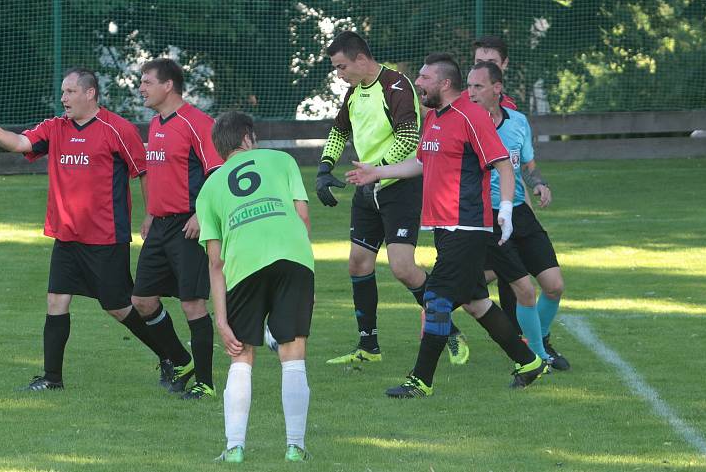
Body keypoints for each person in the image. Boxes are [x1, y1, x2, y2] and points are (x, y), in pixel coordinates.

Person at [347, 53, 548, 398]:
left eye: (424, 79)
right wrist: (377, 172)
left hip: (468, 226)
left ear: (443, 83)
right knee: (476, 303)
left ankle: (420, 380)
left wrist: (504, 210)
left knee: (437, 300)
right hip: (445, 227)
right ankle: (529, 363)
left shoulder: (471, 117)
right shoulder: (433, 118)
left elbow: (503, 165)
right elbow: (421, 164)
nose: (418, 84)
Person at [0, 68, 168, 391]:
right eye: (62, 92)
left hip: (105, 237)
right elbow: (21, 142)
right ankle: (52, 379)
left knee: (118, 307)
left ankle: (169, 355)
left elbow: (143, 171)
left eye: (70, 92)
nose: (64, 98)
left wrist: (150, 215)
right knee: (56, 301)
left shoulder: (118, 129)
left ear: (90, 94)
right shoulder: (55, 128)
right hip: (66, 236)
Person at [316, 30, 470, 367]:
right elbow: (340, 130)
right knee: (358, 262)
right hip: (367, 188)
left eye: (342, 67)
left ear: (360, 59)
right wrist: (325, 168)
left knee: (403, 269)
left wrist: (377, 170)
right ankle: (368, 346)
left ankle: (451, 330)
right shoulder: (355, 94)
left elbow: (409, 137)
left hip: (399, 188)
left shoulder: (397, 86)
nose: (340, 75)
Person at [197, 111, 314, 462]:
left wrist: (221, 320)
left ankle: (234, 448)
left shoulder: (209, 189)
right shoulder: (282, 160)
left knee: (241, 356)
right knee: (293, 354)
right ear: (248, 138)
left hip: (243, 265)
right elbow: (303, 217)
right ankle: (295, 447)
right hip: (293, 258)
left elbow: (215, 263)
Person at [131, 58, 224, 398]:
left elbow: (218, 172)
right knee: (141, 300)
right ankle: (183, 360)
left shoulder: (198, 123)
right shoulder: (155, 124)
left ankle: (206, 383)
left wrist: (202, 215)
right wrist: (151, 213)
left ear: (168, 85)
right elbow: (160, 176)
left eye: (147, 82)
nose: (142, 87)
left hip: (189, 226)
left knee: (192, 305)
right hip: (160, 226)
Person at [467, 62, 569, 370]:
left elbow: (528, 165)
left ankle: (535, 342)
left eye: (478, 87)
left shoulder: (519, 122)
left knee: (554, 285)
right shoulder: (467, 126)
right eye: (468, 87)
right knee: (521, 289)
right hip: (489, 217)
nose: (471, 93)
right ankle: (539, 355)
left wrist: (540, 184)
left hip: (520, 213)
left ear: (497, 88)